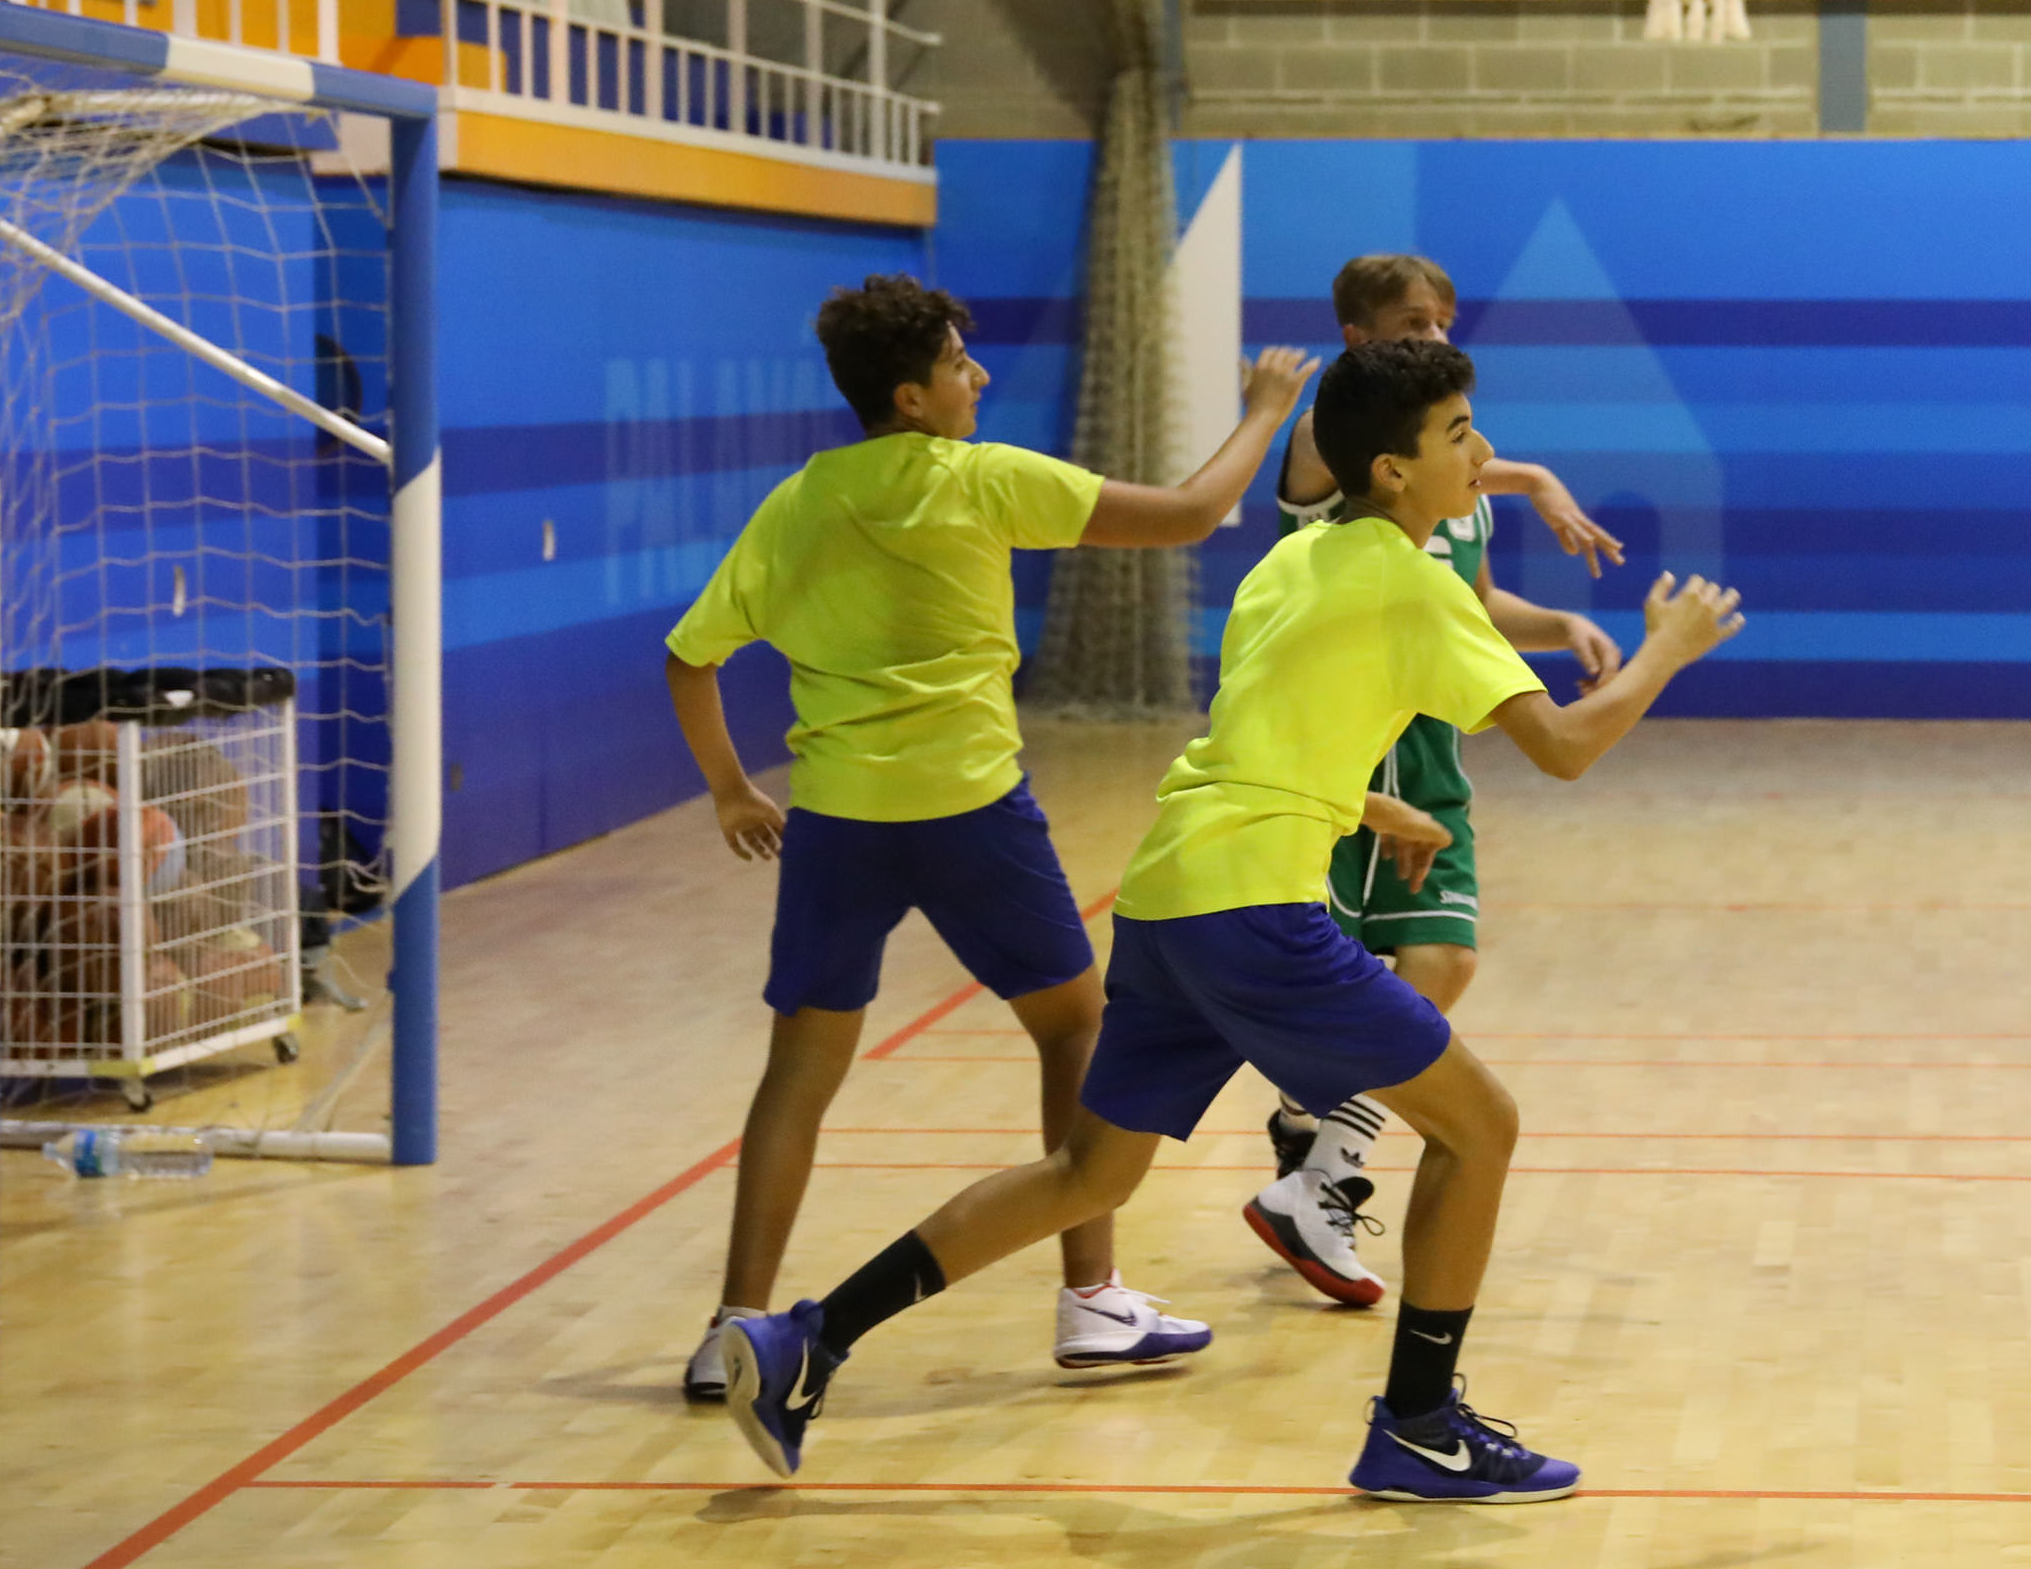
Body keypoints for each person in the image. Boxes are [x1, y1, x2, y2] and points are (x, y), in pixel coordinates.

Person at [716, 337, 1743, 1503]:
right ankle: (1420, 1425)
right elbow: (1560, 746)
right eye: (1459, 435)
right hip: (1256, 908)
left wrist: (1363, 802)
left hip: (1168, 894)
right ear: (1393, 470)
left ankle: (805, 1340)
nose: (1484, 452)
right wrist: (1665, 651)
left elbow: (1260, 735)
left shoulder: (1292, 561)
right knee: (1480, 1129)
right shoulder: (1416, 581)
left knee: (1087, 1175)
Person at [663, 273, 1316, 1391]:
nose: (979, 376)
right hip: (971, 814)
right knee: (1076, 1027)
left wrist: (730, 790)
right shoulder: (981, 478)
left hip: (837, 825)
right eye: (959, 364)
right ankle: (1092, 1299)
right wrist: (1263, 410)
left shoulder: (798, 503)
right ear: (912, 397)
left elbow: (690, 659)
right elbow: (1190, 513)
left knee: (798, 1072)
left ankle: (733, 1329)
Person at [1245, 252, 1625, 1303]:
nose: (1440, 333)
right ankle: (1314, 1140)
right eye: (1415, 320)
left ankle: (1317, 1158)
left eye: (1446, 318)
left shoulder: (1459, 492)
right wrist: (1535, 477)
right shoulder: (1331, 449)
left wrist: (1563, 624)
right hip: (1348, 760)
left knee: (1436, 961)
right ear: (1358, 338)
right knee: (1364, 985)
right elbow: (1331, 429)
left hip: (1428, 756)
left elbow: (1480, 606)